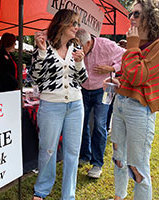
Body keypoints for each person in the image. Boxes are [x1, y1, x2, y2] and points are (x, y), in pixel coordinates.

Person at [106, 0, 159, 199]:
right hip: (120, 104)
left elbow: (138, 77)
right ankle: (119, 196)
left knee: (137, 165)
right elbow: (129, 77)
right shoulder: (136, 45)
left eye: (136, 14)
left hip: (139, 110)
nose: (131, 18)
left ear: (150, 16)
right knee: (118, 156)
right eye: (130, 14)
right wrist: (117, 81)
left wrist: (132, 47)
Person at [30, 9, 88, 200]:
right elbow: (36, 78)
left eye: (78, 24)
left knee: (72, 152)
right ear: (62, 24)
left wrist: (79, 64)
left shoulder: (76, 46)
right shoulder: (44, 46)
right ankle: (42, 190)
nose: (77, 27)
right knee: (48, 149)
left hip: (75, 105)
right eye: (74, 23)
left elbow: (83, 79)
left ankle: (68, 195)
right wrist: (40, 52)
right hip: (51, 105)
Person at [75, 28, 125, 178]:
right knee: (82, 122)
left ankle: (97, 164)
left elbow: (126, 57)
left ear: (89, 42)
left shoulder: (106, 45)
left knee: (99, 124)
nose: (78, 51)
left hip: (104, 89)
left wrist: (112, 68)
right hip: (84, 89)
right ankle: (85, 155)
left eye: (80, 47)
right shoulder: (78, 49)